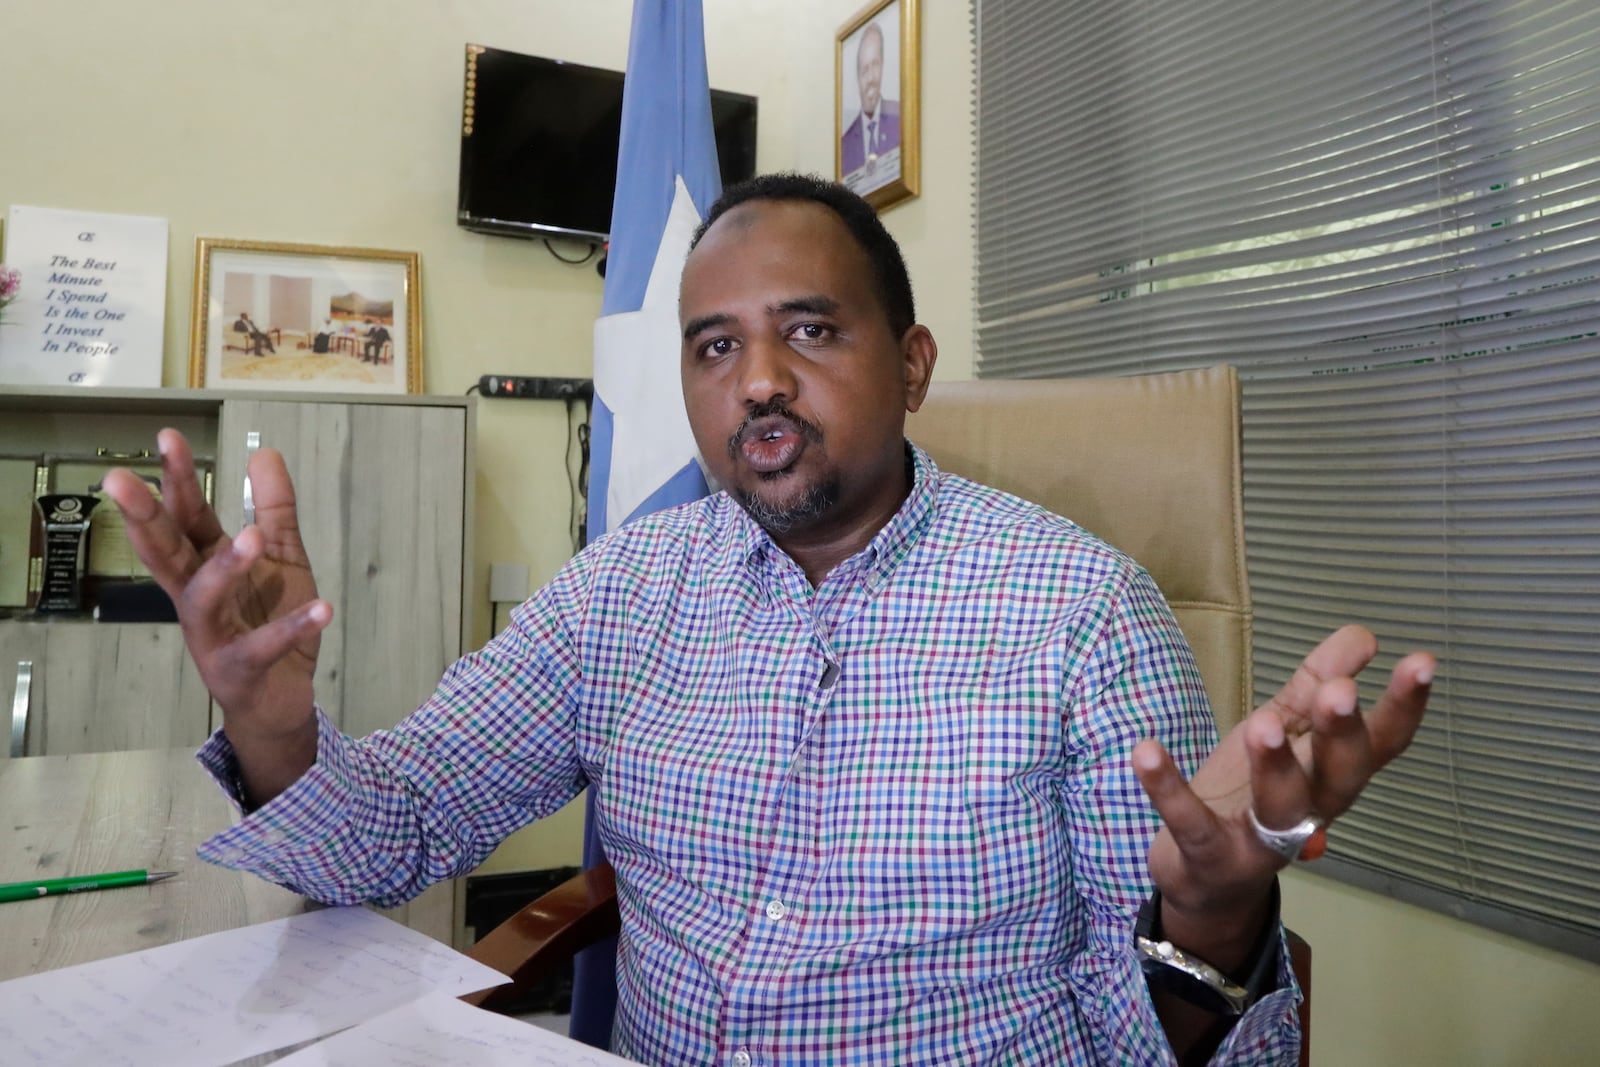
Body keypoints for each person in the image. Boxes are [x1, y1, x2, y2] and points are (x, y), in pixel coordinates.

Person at [103, 173, 1433, 1066]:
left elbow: (1169, 1041)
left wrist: (1207, 918)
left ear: (911, 364)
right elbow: (392, 832)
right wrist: (272, 723)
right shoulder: (627, 587)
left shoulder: (1084, 612)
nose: (762, 382)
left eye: (810, 329)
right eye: (715, 344)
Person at [840, 21, 900, 176]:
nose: (871, 78)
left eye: (875, 65)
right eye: (864, 70)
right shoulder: (845, 146)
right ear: (857, 77)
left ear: (883, 66)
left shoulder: (902, 118)